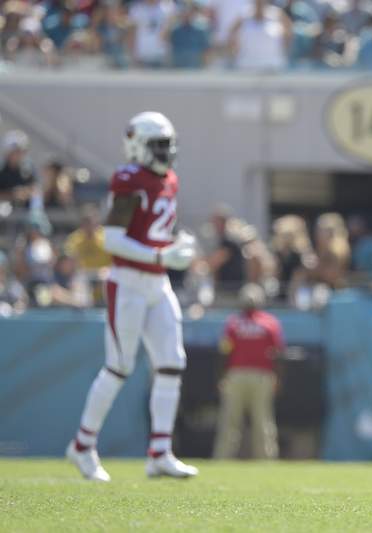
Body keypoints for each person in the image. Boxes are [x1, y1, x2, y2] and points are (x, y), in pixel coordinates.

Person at [66, 111, 198, 482]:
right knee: (119, 366)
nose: (165, 152)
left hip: (158, 283)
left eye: (168, 145)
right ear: (137, 146)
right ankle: (82, 446)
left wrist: (176, 247)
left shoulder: (169, 180)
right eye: (158, 145)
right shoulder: (129, 179)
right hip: (127, 282)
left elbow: (154, 230)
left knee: (171, 362)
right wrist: (161, 255)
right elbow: (112, 240)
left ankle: (160, 453)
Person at [213, 283, 284, 459]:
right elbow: (278, 354)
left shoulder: (234, 323)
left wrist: (222, 376)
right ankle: (266, 460)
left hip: (237, 375)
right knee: (262, 420)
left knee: (232, 421)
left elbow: (224, 352)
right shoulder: (270, 323)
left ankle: (223, 458)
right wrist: (278, 377)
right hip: (261, 376)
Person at [64, 205, 112, 305]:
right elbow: (69, 264)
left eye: (91, 222)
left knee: (108, 277)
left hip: (103, 273)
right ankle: (83, 311)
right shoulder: (74, 239)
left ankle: (108, 306)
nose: (89, 226)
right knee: (78, 281)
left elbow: (115, 262)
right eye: (86, 222)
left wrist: (106, 270)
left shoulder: (106, 237)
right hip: (84, 274)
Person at [228, 0, 292, 72]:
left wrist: (284, 49)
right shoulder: (244, 15)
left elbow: (288, 32)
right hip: (246, 66)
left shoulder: (277, 14)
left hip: (273, 67)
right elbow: (232, 34)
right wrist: (234, 52)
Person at [0, 131, 35, 206]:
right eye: (16, 151)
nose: (18, 155)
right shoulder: (1, 171)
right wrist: (12, 195)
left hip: (24, 211)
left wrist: (25, 193)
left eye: (21, 151)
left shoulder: (27, 171)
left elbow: (35, 190)